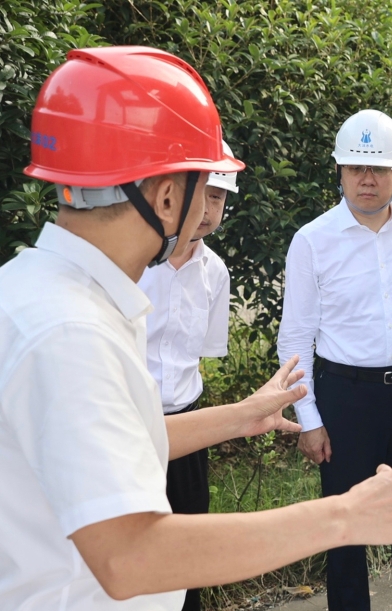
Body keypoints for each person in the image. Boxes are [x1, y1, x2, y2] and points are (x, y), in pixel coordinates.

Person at [0, 46, 392, 611]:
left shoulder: (42, 293)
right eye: (204, 188)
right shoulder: (69, 332)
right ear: (166, 196)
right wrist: (347, 516)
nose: (209, 211)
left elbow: (111, 441)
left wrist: (239, 418)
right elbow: (128, 557)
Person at [277, 109, 392, 611]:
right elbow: (295, 340)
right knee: (345, 527)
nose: (367, 179)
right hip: (345, 397)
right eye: (356, 168)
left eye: (378, 168)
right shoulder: (313, 240)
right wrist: (308, 419)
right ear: (338, 171)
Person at [137, 140, 239, 611]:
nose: (205, 209)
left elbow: (199, 356)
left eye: (217, 198)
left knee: (189, 554)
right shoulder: (134, 265)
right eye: (201, 193)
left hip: (189, 428)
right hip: (132, 426)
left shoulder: (215, 273)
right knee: (134, 555)